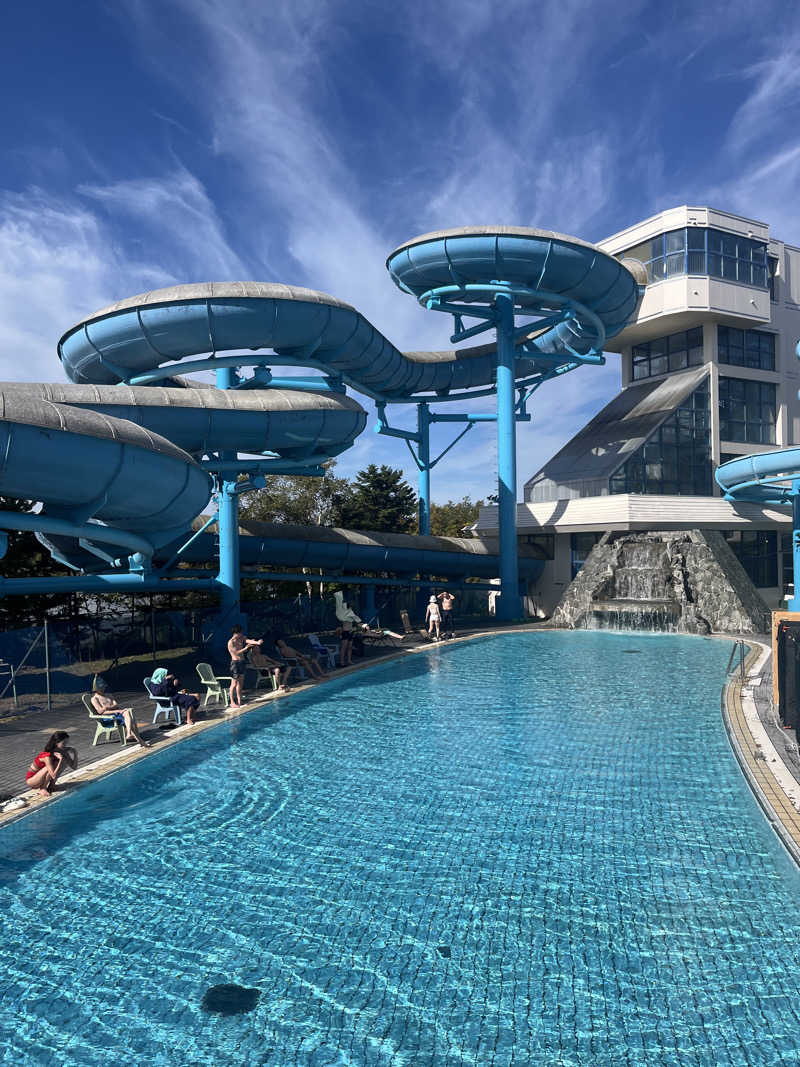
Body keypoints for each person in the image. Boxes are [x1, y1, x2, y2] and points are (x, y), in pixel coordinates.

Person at [25, 731, 77, 796]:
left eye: (66, 743)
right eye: (63, 743)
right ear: (56, 743)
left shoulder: (63, 751)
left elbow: (74, 767)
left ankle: (52, 786)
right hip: (32, 781)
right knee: (52, 766)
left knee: (63, 762)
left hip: (42, 778)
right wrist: (61, 760)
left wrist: (75, 753)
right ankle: (42, 788)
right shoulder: (47, 755)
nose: (65, 745)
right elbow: (53, 775)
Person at [227, 625, 263, 708]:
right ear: (235, 633)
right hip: (235, 664)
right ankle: (232, 702)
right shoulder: (231, 642)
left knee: (241, 683)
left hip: (242, 662)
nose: (241, 634)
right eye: (239, 633)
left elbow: (248, 640)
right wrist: (246, 648)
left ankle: (239, 700)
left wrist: (257, 642)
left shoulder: (242, 638)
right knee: (234, 683)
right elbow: (236, 653)